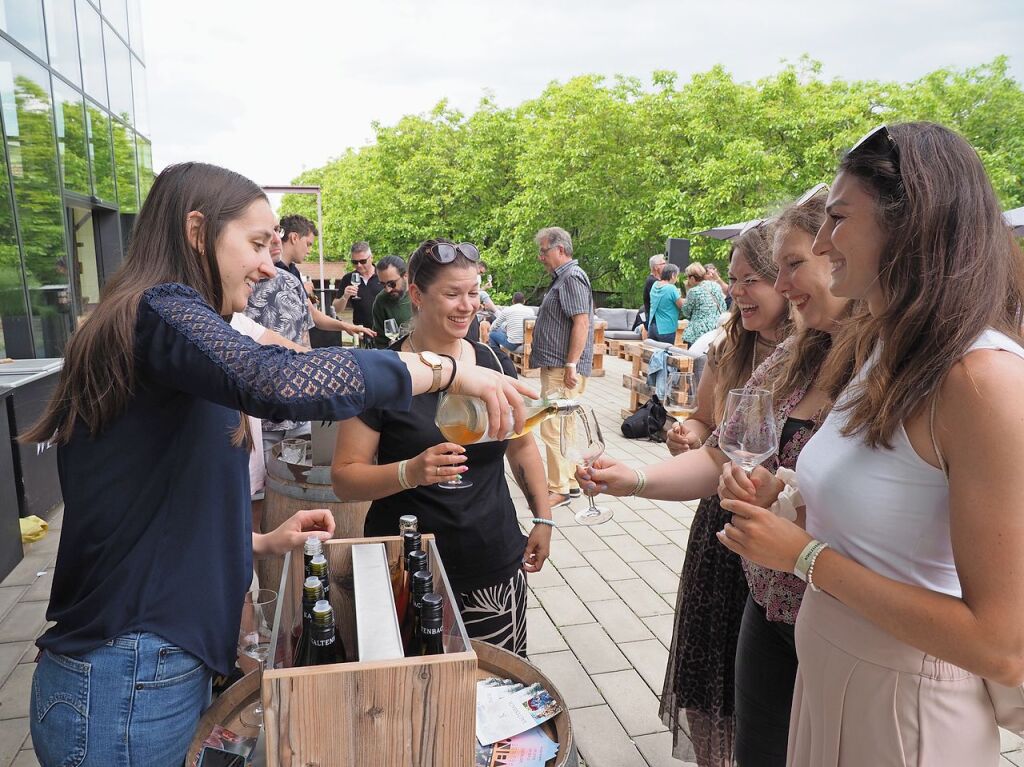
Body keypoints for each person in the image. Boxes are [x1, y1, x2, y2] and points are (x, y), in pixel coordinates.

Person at [23, 162, 535, 767]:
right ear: (196, 231)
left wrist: (260, 541)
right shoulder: (155, 309)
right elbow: (277, 380)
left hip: (151, 667)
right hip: (126, 676)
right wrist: (442, 370)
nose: (270, 265)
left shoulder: (174, 332)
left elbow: (152, 499)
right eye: (257, 243)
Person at [717, 123, 1024, 766]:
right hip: (830, 667)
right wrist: (787, 501)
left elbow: (1002, 646)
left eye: (837, 218)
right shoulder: (880, 349)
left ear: (908, 225)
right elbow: (890, 521)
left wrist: (802, 557)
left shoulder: (981, 379)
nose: (823, 241)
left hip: (905, 707)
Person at [582, 188, 850, 767]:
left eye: (792, 265)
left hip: (843, 624)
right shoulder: (794, 356)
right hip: (764, 606)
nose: (778, 287)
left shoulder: (899, 369)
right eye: (771, 272)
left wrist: (802, 544)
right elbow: (725, 454)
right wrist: (635, 479)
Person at [332, 238, 552, 656]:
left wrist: (544, 518)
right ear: (416, 294)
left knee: (491, 687)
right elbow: (345, 477)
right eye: (452, 294)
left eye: (472, 292)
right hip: (406, 564)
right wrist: (409, 471)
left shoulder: (491, 360)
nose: (467, 305)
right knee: (408, 698)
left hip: (490, 559)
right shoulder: (385, 374)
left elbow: (521, 447)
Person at [658, 222, 791, 766]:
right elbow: (707, 426)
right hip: (725, 525)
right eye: (733, 279)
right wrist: (685, 435)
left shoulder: (832, 353)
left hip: (783, 542)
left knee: (766, 694)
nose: (737, 291)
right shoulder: (732, 345)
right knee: (712, 669)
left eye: (751, 279)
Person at [246, 216, 374, 452]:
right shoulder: (253, 276)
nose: (310, 251)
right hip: (264, 395)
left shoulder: (293, 275)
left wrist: (345, 326)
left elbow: (311, 317)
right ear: (294, 238)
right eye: (309, 244)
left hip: (295, 393)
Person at [529, 226, 595, 508]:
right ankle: (568, 481)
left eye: (543, 251)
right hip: (560, 367)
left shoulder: (571, 278)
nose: (540, 257)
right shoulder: (564, 278)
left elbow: (582, 321)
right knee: (564, 426)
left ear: (560, 249)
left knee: (552, 427)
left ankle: (558, 489)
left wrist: (571, 364)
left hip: (562, 368)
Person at [333, 241, 383, 331]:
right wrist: (345, 297)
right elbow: (336, 309)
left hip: (384, 331)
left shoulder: (383, 275)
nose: (359, 265)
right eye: (355, 262)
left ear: (371, 258)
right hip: (361, 332)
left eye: (363, 261)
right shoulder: (348, 278)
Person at [371, 254, 413, 347]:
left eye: (391, 284)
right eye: (383, 284)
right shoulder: (381, 301)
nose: (388, 289)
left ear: (405, 275)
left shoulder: (424, 293)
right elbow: (380, 341)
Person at [680, 263, 727, 345]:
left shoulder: (694, 291)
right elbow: (723, 306)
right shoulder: (716, 286)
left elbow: (686, 312)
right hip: (716, 330)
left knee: (694, 357)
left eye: (688, 277)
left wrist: (688, 290)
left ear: (692, 278)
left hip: (698, 333)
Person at [648, 263, 684, 344]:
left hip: (652, 326)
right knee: (665, 355)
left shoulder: (655, 285)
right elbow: (681, 305)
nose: (677, 279)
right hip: (666, 328)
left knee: (652, 353)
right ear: (673, 275)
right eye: (677, 276)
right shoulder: (671, 288)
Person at [643, 253, 667, 334]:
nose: (666, 265)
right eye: (663, 263)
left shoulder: (657, 281)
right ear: (656, 267)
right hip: (654, 321)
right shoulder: (652, 282)